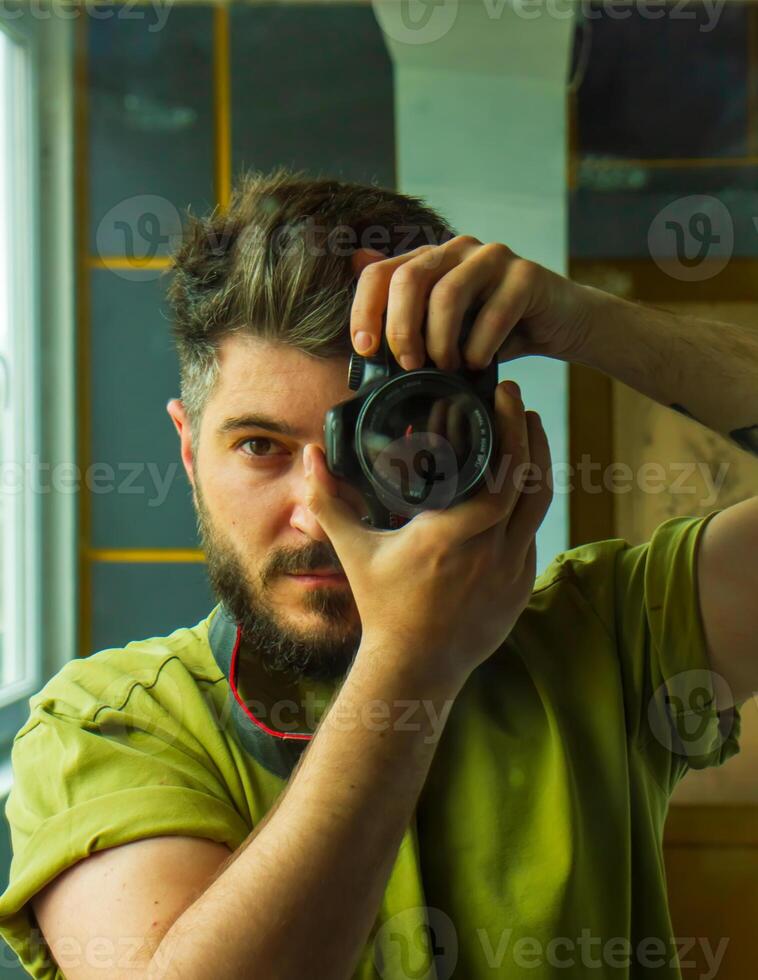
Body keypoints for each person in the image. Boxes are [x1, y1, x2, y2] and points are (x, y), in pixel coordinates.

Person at [0, 166, 754, 980]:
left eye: (378, 446)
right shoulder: (109, 725)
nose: (320, 510)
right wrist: (413, 661)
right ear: (188, 450)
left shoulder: (605, 638)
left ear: (478, 444)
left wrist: (590, 325)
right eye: (261, 447)